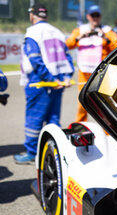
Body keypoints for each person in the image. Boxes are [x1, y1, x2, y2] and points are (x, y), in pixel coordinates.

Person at [14, 3, 74, 164]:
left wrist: (50, 80)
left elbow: (34, 59)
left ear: (32, 15)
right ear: (46, 15)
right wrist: (66, 77)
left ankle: (32, 153)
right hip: (59, 81)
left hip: (39, 82)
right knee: (53, 119)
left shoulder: (32, 32)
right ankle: (53, 152)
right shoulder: (58, 32)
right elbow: (67, 57)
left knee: (34, 118)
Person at [66, 5, 117, 122]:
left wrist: (106, 38)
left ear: (100, 16)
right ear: (88, 17)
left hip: (101, 73)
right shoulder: (80, 30)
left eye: (97, 15)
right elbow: (68, 45)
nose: (95, 18)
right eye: (93, 15)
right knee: (82, 103)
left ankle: (108, 132)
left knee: (104, 104)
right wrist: (79, 37)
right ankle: (81, 128)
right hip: (84, 73)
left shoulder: (107, 30)